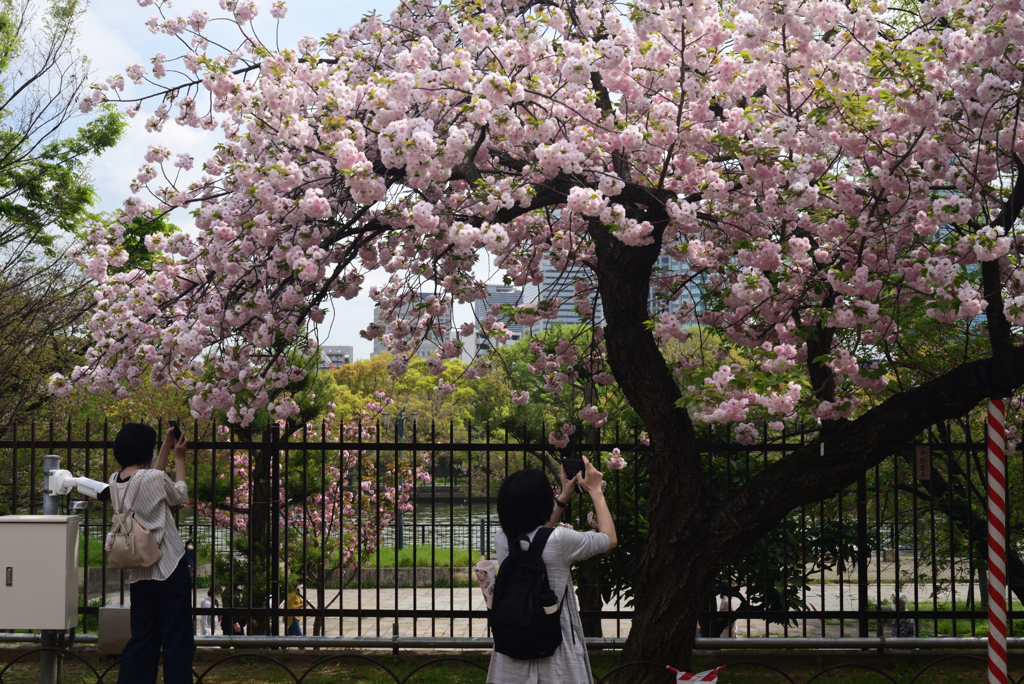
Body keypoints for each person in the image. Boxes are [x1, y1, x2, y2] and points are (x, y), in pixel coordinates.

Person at [486, 456, 617, 684]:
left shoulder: (503, 540)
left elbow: (538, 537)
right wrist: (596, 491)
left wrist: (564, 497)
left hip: (513, 644)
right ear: (541, 503)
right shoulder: (561, 540)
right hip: (556, 645)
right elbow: (609, 538)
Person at [108, 423, 192, 684]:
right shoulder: (153, 479)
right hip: (169, 567)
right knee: (176, 639)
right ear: (145, 449)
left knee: (143, 639)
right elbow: (180, 496)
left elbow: (146, 482)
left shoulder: (114, 481)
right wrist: (178, 459)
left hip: (140, 573)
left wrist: (166, 445)